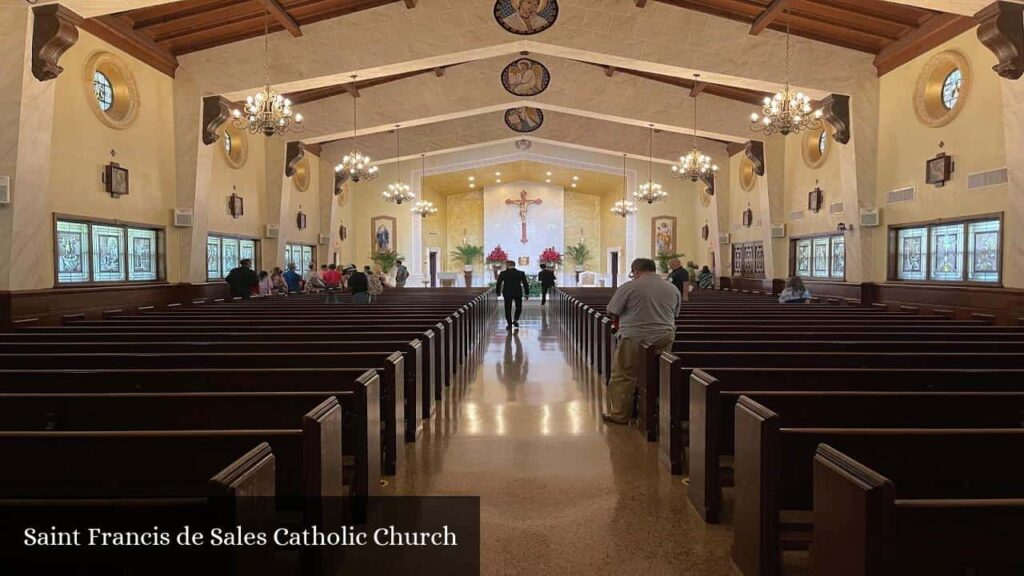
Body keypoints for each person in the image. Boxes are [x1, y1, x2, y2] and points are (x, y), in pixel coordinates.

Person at [602, 258, 681, 425]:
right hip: (664, 337)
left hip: (634, 336)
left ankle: (620, 414)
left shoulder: (629, 287)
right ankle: (660, 412)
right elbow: (675, 314)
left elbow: (612, 310)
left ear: (636, 270)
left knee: (623, 375)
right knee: (661, 373)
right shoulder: (672, 288)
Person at [495, 260, 530, 330]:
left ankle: (509, 323)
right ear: (514, 265)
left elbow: (498, 283)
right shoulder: (520, 273)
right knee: (519, 307)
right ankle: (516, 320)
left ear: (507, 265)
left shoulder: (503, 273)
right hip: (518, 292)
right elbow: (525, 284)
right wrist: (527, 293)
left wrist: (498, 292)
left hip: (507, 293)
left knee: (507, 308)